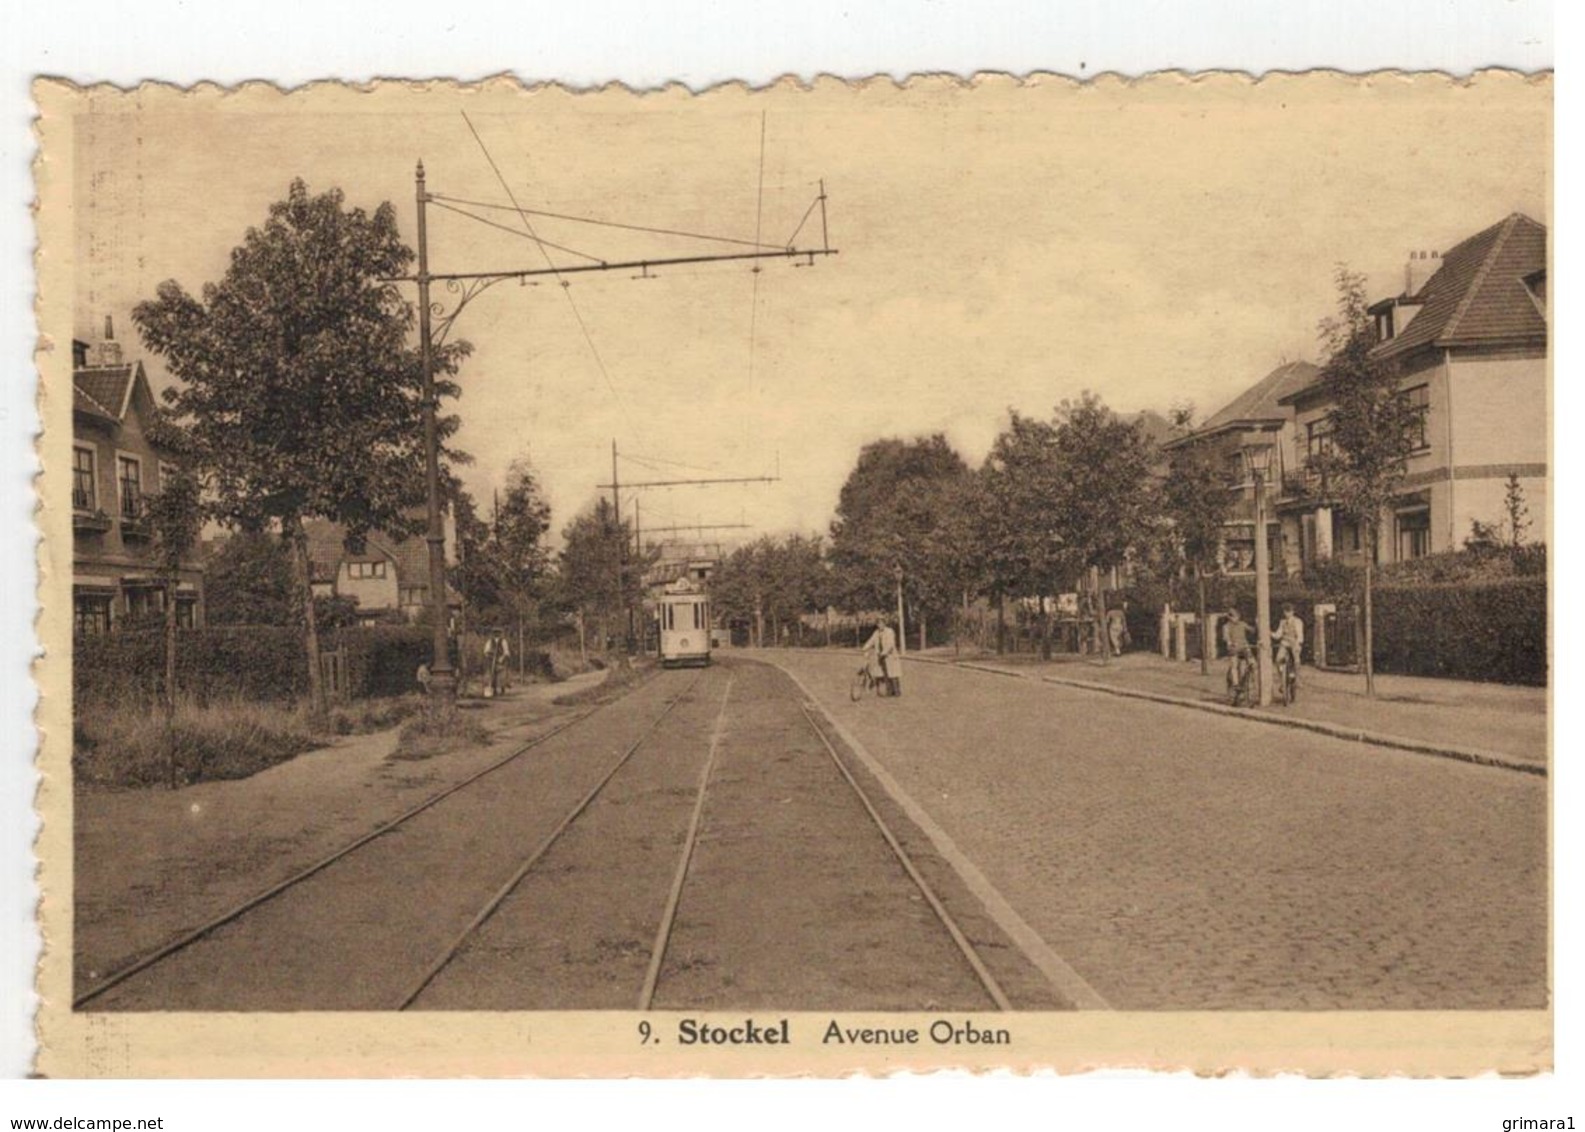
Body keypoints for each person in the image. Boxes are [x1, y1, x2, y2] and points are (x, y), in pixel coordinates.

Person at [862, 617, 901, 697]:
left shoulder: (889, 631)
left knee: (893, 674)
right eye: (878, 623)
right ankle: (889, 691)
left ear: (884, 623)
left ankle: (897, 692)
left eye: (881, 623)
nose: (880, 625)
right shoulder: (876, 633)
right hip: (881, 656)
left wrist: (884, 652)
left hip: (890, 656)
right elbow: (871, 641)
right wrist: (865, 647)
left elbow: (890, 644)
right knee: (885, 674)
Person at [1222, 607, 1254, 692]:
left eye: (1236, 616)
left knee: (1252, 662)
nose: (1234, 618)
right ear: (1229, 617)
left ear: (1239, 616)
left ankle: (1249, 680)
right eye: (1232, 616)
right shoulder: (1226, 626)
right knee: (1234, 665)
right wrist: (1229, 642)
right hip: (1234, 648)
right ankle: (1235, 684)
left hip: (1244, 647)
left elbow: (1251, 630)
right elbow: (1226, 637)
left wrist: (1256, 625)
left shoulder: (1242, 624)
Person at [1271, 603, 1304, 674]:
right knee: (1278, 660)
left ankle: (1297, 680)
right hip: (1285, 643)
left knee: (1296, 661)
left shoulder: (1297, 621)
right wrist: (1270, 633)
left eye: (1289, 611)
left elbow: (1300, 634)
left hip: (1294, 643)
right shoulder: (1282, 622)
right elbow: (1278, 635)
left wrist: (1298, 644)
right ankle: (1282, 678)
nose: (1287, 613)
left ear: (1292, 612)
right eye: (1285, 611)